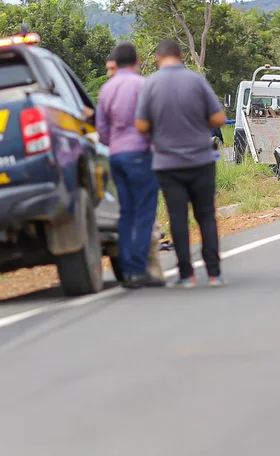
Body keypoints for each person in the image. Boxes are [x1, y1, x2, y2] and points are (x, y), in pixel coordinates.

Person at [135, 39, 226, 288]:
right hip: (201, 159)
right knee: (206, 216)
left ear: (158, 58)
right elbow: (219, 117)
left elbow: (141, 124)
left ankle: (187, 274)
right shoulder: (196, 81)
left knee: (178, 218)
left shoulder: (150, 84)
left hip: (168, 163)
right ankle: (215, 273)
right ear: (182, 55)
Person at [96, 42, 164, 289]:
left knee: (125, 213)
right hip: (142, 154)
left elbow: (101, 128)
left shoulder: (106, 89)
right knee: (144, 212)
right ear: (136, 61)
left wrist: (113, 143)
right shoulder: (142, 85)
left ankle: (128, 271)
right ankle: (139, 269)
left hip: (117, 156)